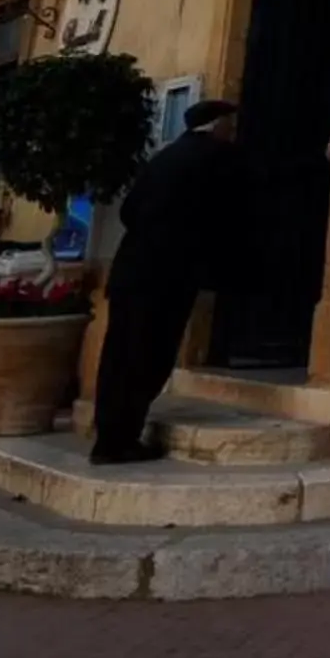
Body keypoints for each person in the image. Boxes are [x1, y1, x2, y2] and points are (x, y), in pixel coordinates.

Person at [91, 99, 245, 464]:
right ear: (218, 124)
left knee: (119, 356)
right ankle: (121, 442)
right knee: (149, 356)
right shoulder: (214, 158)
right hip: (167, 277)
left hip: (131, 271)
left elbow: (129, 211)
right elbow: (247, 193)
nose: (233, 131)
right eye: (230, 124)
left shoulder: (164, 158)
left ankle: (110, 438)